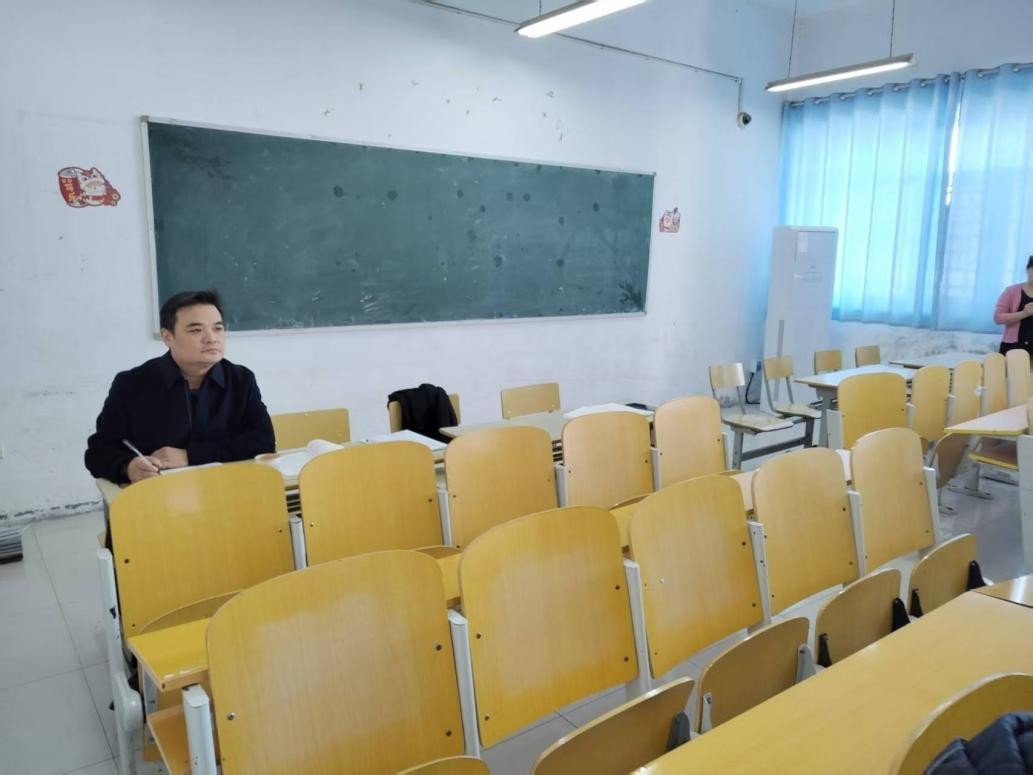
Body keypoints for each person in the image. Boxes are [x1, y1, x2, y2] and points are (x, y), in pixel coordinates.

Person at [85, 290, 275, 483]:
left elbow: (263, 442)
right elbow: (97, 452)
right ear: (168, 337)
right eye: (196, 330)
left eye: (217, 328)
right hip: (160, 492)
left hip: (226, 487)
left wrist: (190, 456)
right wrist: (127, 467)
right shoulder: (131, 384)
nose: (211, 338)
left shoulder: (241, 379)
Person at [993, 256, 1033, 356]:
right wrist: (1023, 313)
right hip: (1013, 346)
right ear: (1027, 270)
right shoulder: (1011, 291)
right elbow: (997, 318)